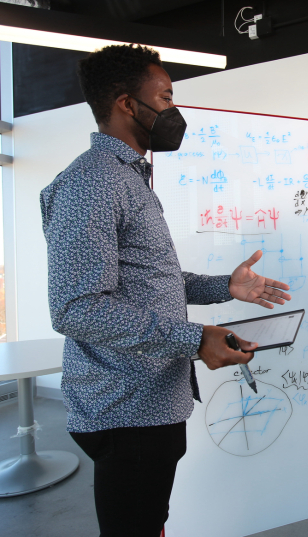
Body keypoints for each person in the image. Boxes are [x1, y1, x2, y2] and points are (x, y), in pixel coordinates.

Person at [40, 44, 291, 537]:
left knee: (148, 521)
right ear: (126, 104)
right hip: (125, 405)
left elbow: (150, 282)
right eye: (166, 97)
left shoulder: (130, 179)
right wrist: (196, 339)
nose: (173, 110)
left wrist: (226, 286)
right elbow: (76, 307)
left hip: (153, 397)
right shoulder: (91, 184)